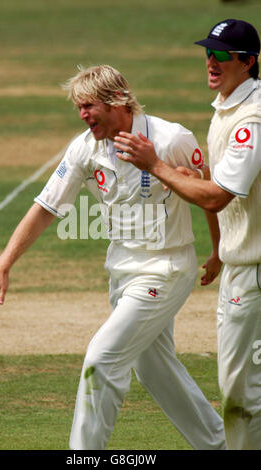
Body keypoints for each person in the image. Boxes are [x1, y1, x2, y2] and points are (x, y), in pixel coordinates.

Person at [0, 65, 225, 450]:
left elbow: (210, 194)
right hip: (121, 271)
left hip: (166, 269)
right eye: (79, 108)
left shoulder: (172, 138)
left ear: (117, 101)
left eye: (89, 106)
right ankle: (221, 444)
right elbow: (45, 207)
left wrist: (217, 250)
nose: (83, 115)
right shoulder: (85, 147)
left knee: (100, 362)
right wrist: (1, 265)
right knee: (154, 370)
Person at [114, 19, 261, 450]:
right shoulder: (229, 108)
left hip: (253, 273)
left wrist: (155, 166)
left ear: (249, 62)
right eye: (207, 53)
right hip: (239, 266)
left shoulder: (250, 117)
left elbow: (216, 198)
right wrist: (216, 247)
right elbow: (225, 186)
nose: (210, 63)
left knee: (240, 395)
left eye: (221, 56)